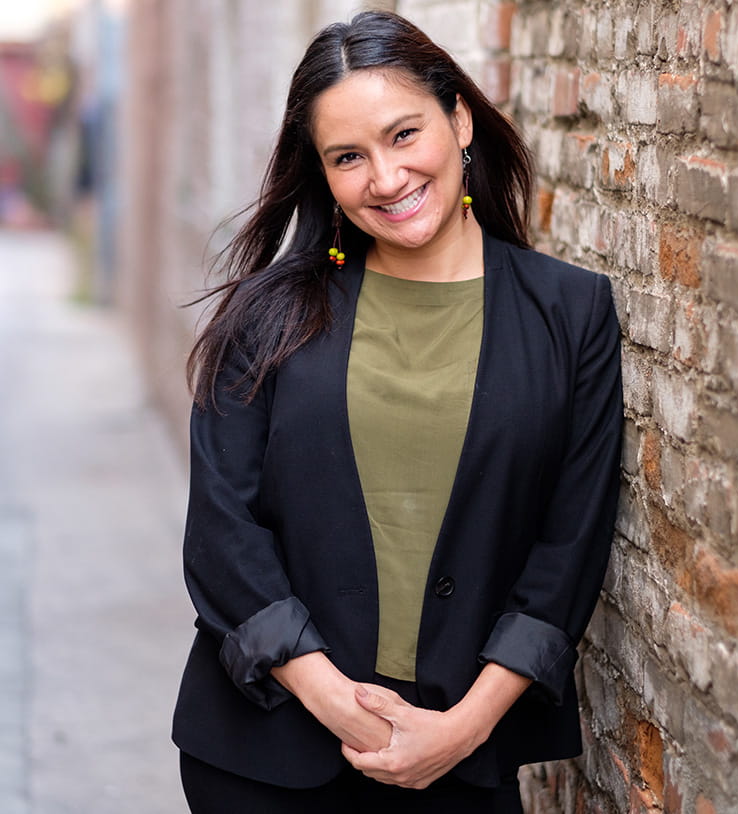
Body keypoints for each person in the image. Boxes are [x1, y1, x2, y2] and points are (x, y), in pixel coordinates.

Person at [172, 9, 622, 813]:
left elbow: (569, 548)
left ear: (460, 121)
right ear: (322, 174)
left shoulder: (571, 313)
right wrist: (339, 704)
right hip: (265, 759)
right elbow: (221, 533)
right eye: (348, 157)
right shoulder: (266, 316)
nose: (385, 178)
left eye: (404, 134)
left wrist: (462, 729)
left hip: (462, 757)